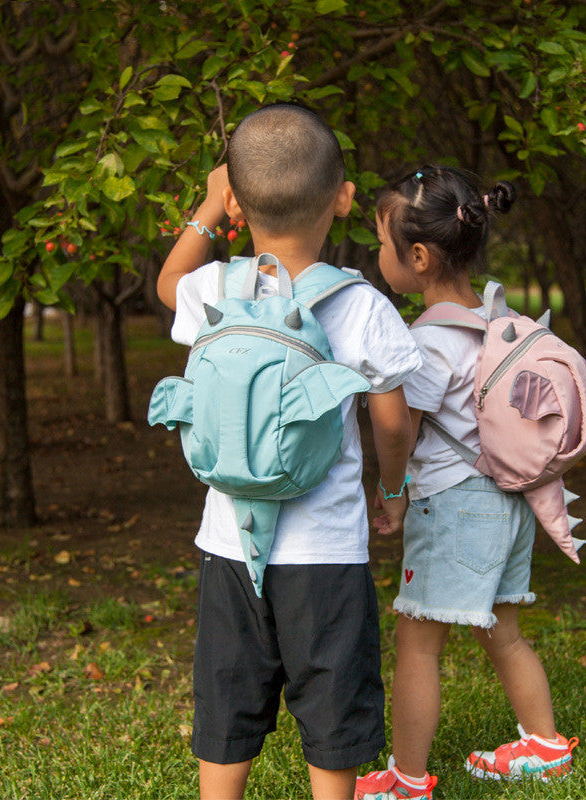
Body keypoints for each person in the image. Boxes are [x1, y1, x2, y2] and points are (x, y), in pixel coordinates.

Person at [156, 104, 422, 800]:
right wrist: (390, 492)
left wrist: (210, 208)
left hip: (227, 541)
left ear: (239, 205)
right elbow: (392, 424)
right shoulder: (361, 305)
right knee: (333, 694)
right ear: (343, 198)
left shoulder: (211, 289)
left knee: (228, 688)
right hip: (327, 551)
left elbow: (164, 286)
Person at [355, 166, 579, 800]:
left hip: (453, 505)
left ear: (418, 256)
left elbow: (399, 429)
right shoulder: (490, 319)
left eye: (382, 243)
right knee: (502, 630)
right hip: (509, 501)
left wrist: (391, 494)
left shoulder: (425, 342)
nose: (379, 256)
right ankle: (543, 744)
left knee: (417, 644)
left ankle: (405, 779)